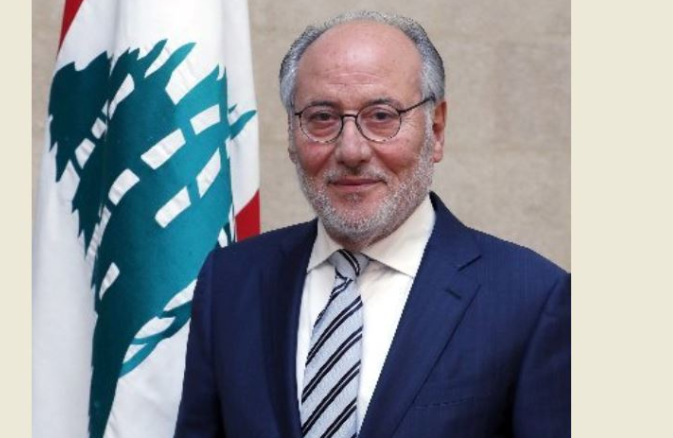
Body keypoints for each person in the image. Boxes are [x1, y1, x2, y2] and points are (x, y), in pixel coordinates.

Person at [175, 10, 570, 438]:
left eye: (382, 116)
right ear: (291, 134)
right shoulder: (230, 281)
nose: (351, 150)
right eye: (322, 117)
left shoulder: (532, 299)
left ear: (436, 130)